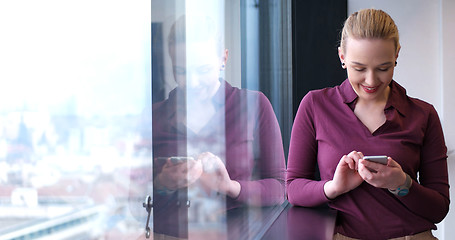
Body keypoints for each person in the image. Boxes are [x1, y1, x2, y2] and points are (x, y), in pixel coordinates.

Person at [286, 9, 449, 240]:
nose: (371, 81)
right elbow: (293, 189)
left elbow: (439, 208)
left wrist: (402, 183)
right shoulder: (315, 105)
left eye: (383, 68)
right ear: (342, 57)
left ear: (396, 55)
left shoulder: (423, 114)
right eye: (359, 68)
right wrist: (334, 187)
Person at [147, 15, 286, 239]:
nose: (191, 83)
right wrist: (163, 183)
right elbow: (129, 197)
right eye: (181, 71)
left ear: (223, 59)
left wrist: (230, 186)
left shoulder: (254, 105)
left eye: (202, 70)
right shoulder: (153, 116)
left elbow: (281, 189)